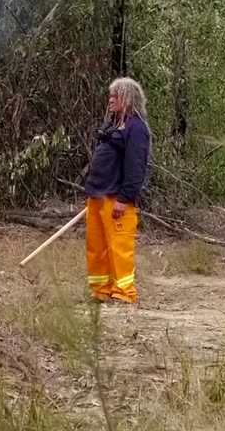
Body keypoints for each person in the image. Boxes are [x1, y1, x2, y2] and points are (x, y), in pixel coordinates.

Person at [83, 77, 151, 304]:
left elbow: (136, 167)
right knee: (97, 247)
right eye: (110, 95)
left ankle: (123, 293)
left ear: (128, 99)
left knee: (118, 248)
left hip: (117, 200)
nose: (110, 100)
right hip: (98, 196)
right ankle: (101, 291)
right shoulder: (112, 124)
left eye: (116, 96)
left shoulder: (137, 128)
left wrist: (125, 198)